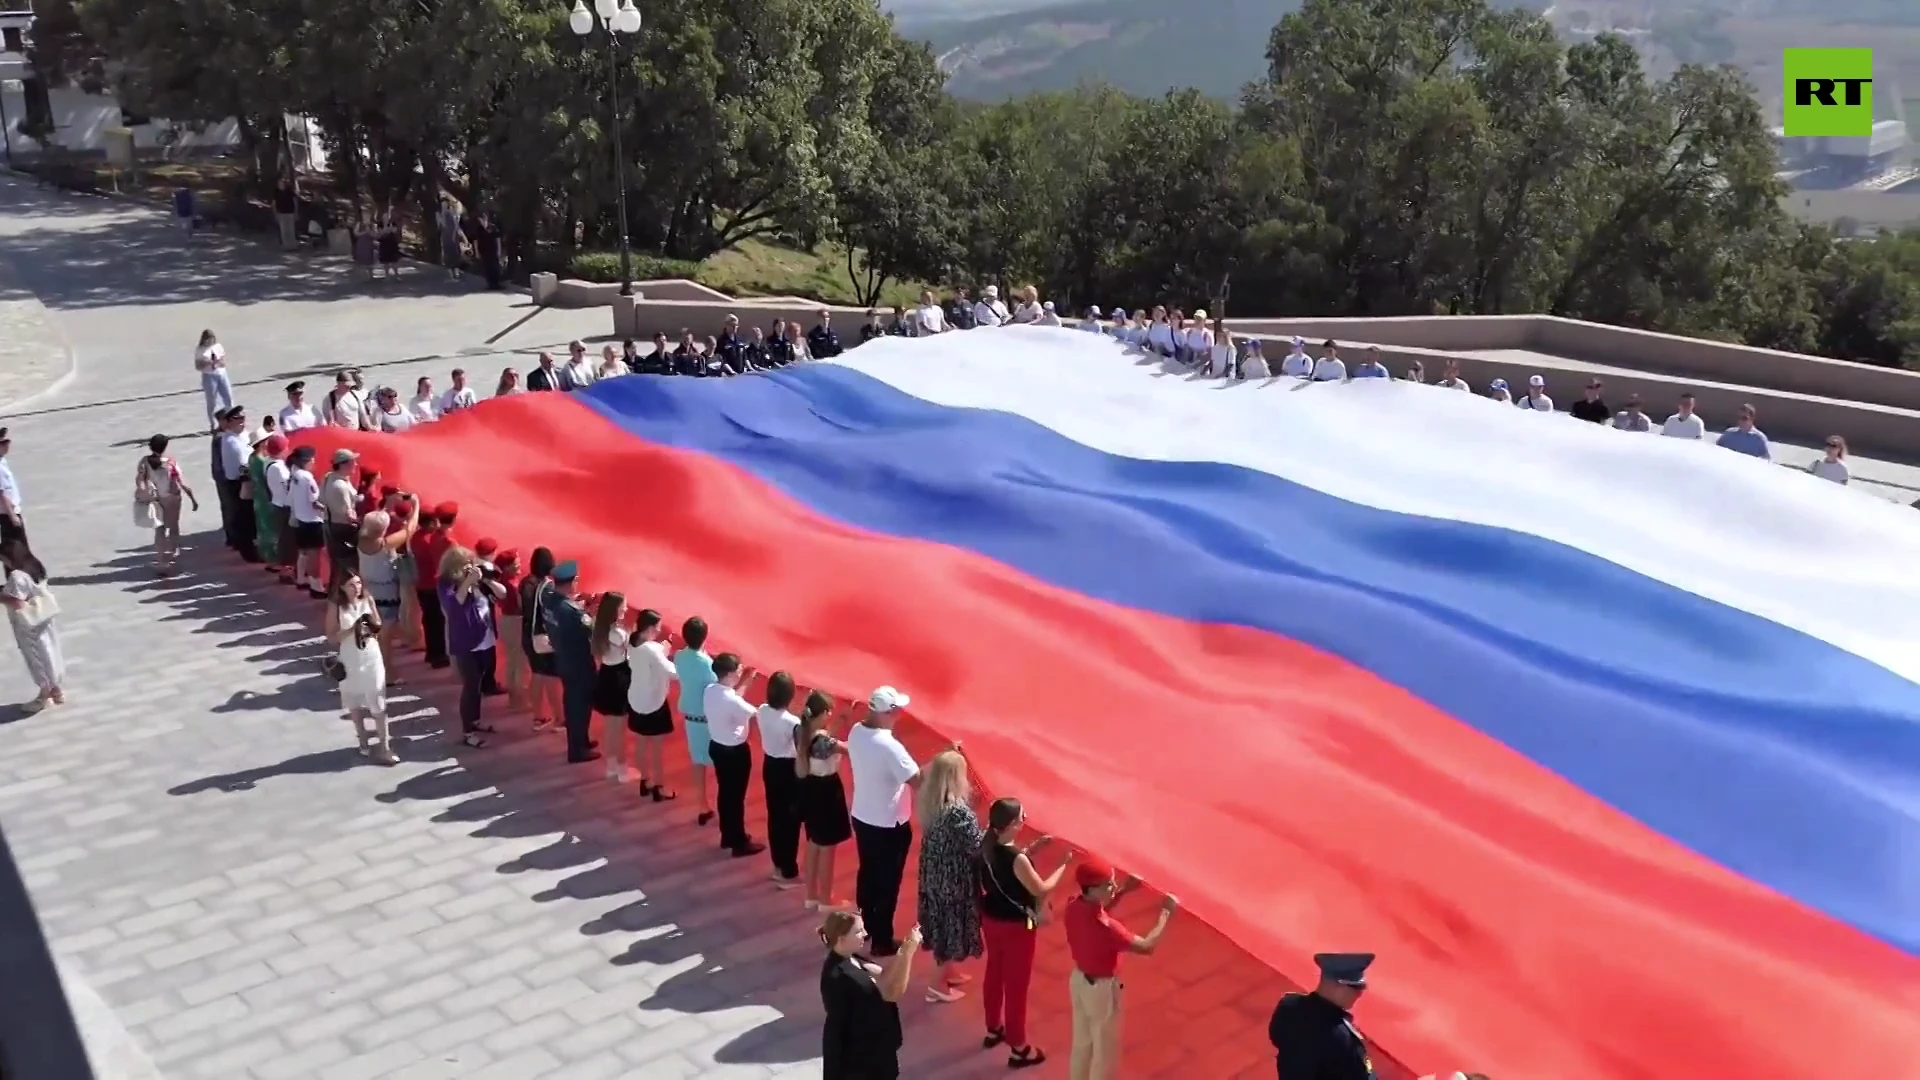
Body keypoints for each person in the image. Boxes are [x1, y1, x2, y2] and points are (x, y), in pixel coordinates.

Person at [1064, 863, 1176, 1080]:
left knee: (1082, 1044)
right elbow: (1147, 946)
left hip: (1078, 981)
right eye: (1108, 885)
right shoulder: (1108, 928)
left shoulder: (1073, 905)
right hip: (1102, 990)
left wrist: (1125, 890)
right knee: (1105, 1052)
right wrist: (1166, 913)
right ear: (1093, 889)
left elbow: (1100, 908)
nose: (1112, 887)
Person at [978, 796, 1067, 1070]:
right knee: (1017, 985)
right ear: (1013, 824)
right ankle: (1019, 1046)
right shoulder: (1016, 858)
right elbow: (1040, 888)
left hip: (990, 918)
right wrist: (1063, 866)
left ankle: (994, 1027)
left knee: (994, 971)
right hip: (1019, 925)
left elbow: (1008, 869)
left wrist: (1032, 849)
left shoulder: (986, 843)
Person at [848, 686, 919, 959]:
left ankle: (863, 927)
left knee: (868, 874)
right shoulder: (889, 746)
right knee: (888, 883)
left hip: (864, 816)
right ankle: (882, 939)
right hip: (889, 823)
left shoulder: (857, 731)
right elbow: (916, 780)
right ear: (887, 713)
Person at [915, 749, 983, 1004]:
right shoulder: (957, 811)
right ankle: (937, 984)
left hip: (934, 874)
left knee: (940, 923)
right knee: (951, 928)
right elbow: (976, 845)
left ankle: (949, 970)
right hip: (953, 879)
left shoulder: (930, 799)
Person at [820, 911, 919, 1080]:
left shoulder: (852, 959)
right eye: (858, 931)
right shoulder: (841, 976)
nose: (865, 934)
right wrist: (908, 954)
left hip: (873, 1053)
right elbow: (892, 992)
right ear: (842, 939)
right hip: (863, 1064)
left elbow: (884, 974)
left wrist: (903, 951)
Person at [1269, 953, 1378, 1080]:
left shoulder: (1288, 1006)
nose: (1359, 994)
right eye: (1356, 988)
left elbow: (1276, 1037)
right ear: (1336, 985)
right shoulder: (1343, 1038)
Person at [326, 570, 398, 764]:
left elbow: (379, 625)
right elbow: (331, 636)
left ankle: (385, 746)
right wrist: (352, 629)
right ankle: (363, 739)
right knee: (354, 702)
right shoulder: (337, 606)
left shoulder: (368, 599)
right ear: (342, 587)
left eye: (358, 583)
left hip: (371, 657)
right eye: (351, 584)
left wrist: (371, 626)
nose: (356, 588)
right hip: (350, 659)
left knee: (378, 702)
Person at [440, 544, 504, 749]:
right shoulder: (446, 583)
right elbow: (454, 605)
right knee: (470, 685)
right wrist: (467, 582)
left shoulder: (478, 579)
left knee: (480, 682)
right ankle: (468, 731)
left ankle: (476, 720)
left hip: (485, 638)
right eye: (466, 563)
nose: (471, 566)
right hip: (466, 641)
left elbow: (501, 594)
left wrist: (485, 580)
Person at [702, 653, 765, 856]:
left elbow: (733, 698)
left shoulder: (711, 690)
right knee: (735, 798)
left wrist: (746, 680)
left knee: (726, 794)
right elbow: (755, 712)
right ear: (729, 673)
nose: (740, 672)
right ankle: (738, 842)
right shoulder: (730, 700)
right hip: (734, 753)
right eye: (738, 670)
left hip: (718, 748)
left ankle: (728, 835)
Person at [797, 690, 853, 912]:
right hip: (827, 793)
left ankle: (811, 895)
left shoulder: (802, 732)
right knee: (827, 848)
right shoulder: (824, 742)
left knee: (813, 843)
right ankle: (825, 899)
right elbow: (847, 749)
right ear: (823, 713)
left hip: (811, 791)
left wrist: (840, 721)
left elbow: (824, 738)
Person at [543, 560, 600, 763]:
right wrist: (590, 612)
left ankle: (580, 740)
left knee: (573, 703)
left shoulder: (550, 601)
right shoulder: (572, 611)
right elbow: (591, 630)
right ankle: (577, 749)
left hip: (564, 660)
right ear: (572, 581)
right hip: (579, 663)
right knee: (580, 706)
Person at [356, 507, 417, 688]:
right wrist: (415, 504)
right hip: (387, 595)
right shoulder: (385, 544)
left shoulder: (359, 541)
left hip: (368, 593)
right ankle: (386, 674)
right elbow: (410, 529)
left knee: (374, 635)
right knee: (385, 638)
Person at [0, 540, 64, 712]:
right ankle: (57, 690)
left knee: (37, 658)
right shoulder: (35, 566)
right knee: (50, 652)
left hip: (29, 624)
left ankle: (44, 696)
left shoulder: (17, 577)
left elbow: (17, 602)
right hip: (45, 618)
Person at [624, 607, 679, 801]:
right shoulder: (652, 649)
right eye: (657, 628)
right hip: (653, 703)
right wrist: (668, 655)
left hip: (636, 699)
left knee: (641, 742)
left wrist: (662, 650)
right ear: (649, 628)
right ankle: (659, 787)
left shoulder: (633, 642)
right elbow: (672, 672)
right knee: (656, 748)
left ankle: (645, 780)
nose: (658, 631)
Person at [756, 671, 804, 887]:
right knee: (790, 821)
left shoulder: (762, 710)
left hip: (770, 765)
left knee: (775, 817)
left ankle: (778, 864)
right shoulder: (791, 722)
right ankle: (788, 871)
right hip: (787, 769)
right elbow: (801, 747)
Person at [674, 617, 719, 826]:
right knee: (719, 763)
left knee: (698, 762)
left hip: (691, 718)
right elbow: (717, 685)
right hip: (707, 719)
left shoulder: (680, 657)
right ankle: (719, 804)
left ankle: (702, 804)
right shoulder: (706, 664)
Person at [134, 435, 197, 575]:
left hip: (156, 499)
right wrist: (192, 499)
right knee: (173, 526)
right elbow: (182, 482)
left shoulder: (144, 462)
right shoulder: (170, 463)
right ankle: (172, 553)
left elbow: (140, 480)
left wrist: (144, 492)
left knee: (159, 528)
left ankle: (161, 558)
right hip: (172, 499)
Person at [590, 591, 634, 783]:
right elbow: (631, 648)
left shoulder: (600, 628)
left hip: (607, 675)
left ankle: (612, 766)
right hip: (618, 679)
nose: (626, 608)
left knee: (610, 727)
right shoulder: (616, 633)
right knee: (619, 727)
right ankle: (622, 769)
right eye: (623, 605)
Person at [520, 546, 564, 732]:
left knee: (536, 675)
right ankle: (560, 719)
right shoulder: (548, 587)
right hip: (544, 638)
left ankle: (538, 717)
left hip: (528, 636)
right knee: (551, 678)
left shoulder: (525, 583)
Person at [410, 505, 456, 667]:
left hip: (422, 584)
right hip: (430, 584)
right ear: (429, 523)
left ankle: (432, 653)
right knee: (436, 621)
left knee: (429, 619)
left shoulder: (417, 537)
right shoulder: (427, 541)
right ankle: (438, 655)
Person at [212, 407, 258, 562]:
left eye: (243, 418)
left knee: (248, 516)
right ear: (229, 422)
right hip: (238, 482)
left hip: (245, 480)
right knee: (243, 517)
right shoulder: (231, 441)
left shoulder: (241, 435)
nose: (242, 423)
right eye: (238, 420)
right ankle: (247, 550)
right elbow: (243, 464)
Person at [284, 446, 327, 595]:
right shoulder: (307, 478)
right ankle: (316, 586)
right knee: (313, 554)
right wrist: (328, 509)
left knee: (303, 552)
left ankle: (301, 578)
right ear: (307, 460)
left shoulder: (294, 473)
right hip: (312, 521)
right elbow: (315, 502)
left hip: (300, 518)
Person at [247, 431, 284, 575]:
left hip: (258, 497)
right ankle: (273, 560)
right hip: (266, 497)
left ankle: (266, 556)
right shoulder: (262, 462)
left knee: (262, 526)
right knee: (270, 528)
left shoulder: (252, 458)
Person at [194, 330, 233, 431]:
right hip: (209, 376)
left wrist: (218, 362)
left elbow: (224, 361)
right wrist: (207, 363)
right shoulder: (200, 350)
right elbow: (197, 366)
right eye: (207, 340)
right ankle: (213, 423)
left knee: (228, 397)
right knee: (212, 401)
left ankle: (231, 419)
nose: (209, 341)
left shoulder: (217, 346)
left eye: (211, 339)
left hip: (221, 374)